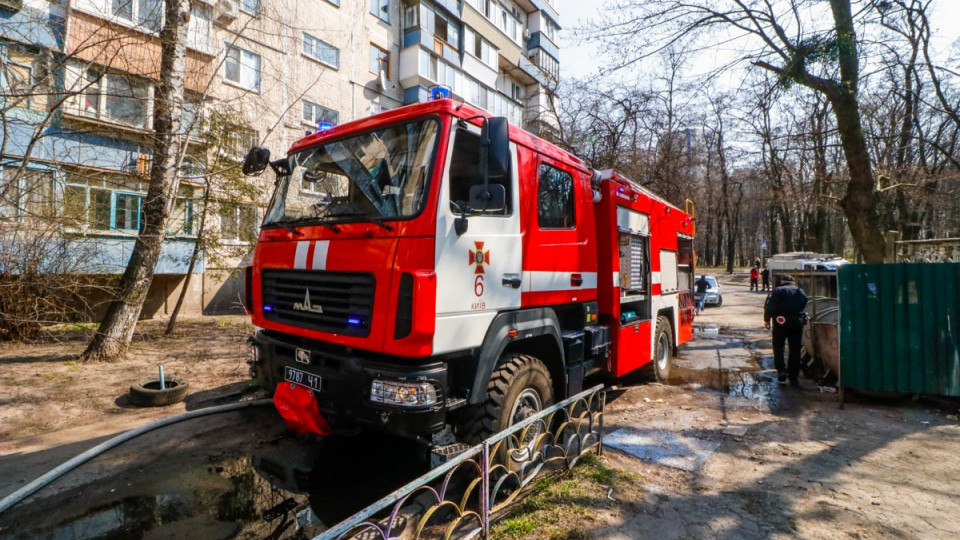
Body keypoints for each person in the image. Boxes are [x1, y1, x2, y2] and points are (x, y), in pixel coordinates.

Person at [763, 275, 808, 387]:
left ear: (782, 281)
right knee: (795, 349)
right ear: (792, 282)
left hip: (780, 322)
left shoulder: (778, 290)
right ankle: (793, 376)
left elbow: (770, 307)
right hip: (796, 322)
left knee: (778, 346)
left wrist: (767, 320)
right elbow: (805, 302)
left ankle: (781, 370)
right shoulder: (799, 290)